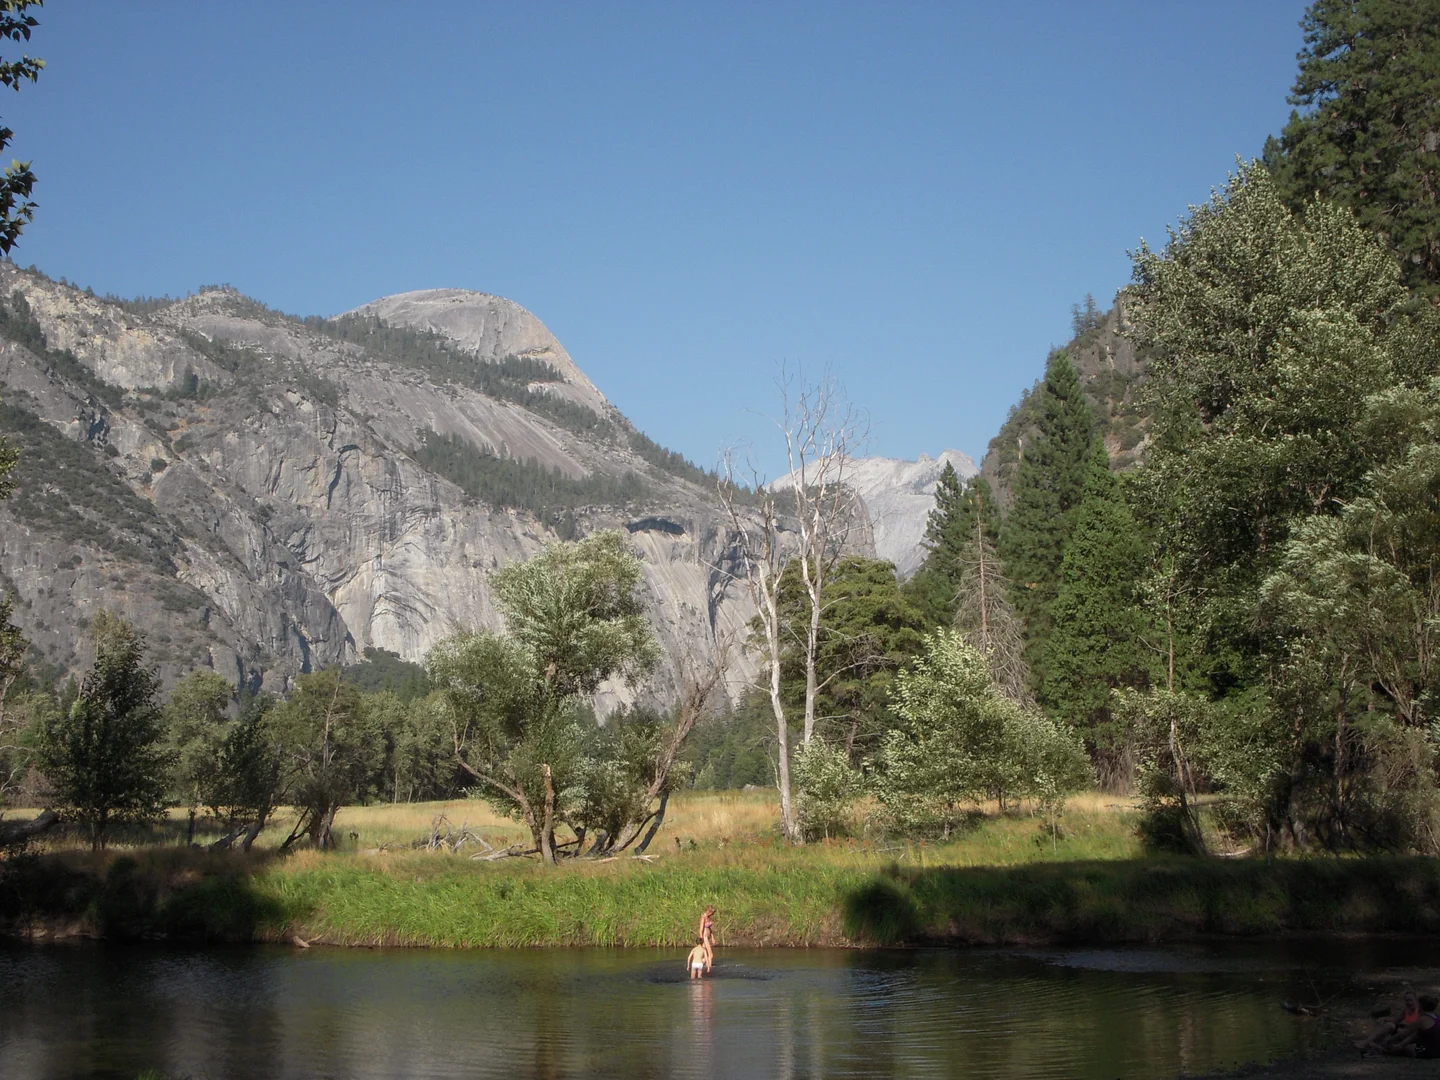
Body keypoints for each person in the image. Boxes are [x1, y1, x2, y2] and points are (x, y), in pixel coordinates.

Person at [1357, 989, 1420, 1053]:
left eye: (1411, 1000)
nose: (1409, 1002)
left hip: (1411, 1034)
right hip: (1403, 1030)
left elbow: (1419, 1027)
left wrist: (1405, 1030)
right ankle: (1367, 1041)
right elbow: (1396, 1020)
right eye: (1407, 1000)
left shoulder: (1420, 1011)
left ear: (1415, 1000)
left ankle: (1371, 1044)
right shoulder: (1406, 1010)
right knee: (1389, 1025)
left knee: (1392, 1035)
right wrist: (1384, 1019)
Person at [698, 905, 717, 972]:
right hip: (704, 937)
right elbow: (701, 929)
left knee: (705, 953)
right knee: (710, 955)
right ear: (709, 911)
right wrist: (701, 939)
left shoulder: (708, 917)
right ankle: (708, 967)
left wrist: (712, 937)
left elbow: (709, 928)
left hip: (708, 937)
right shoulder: (703, 917)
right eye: (712, 913)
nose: (713, 914)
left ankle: (702, 964)